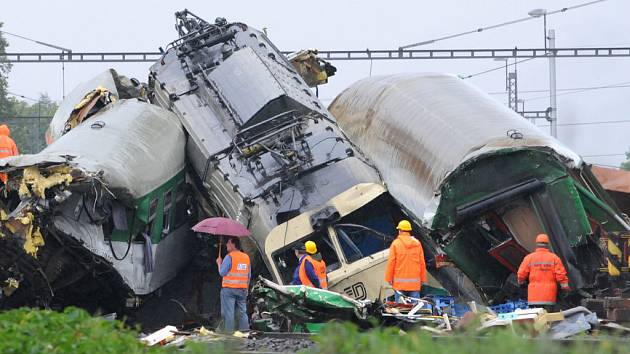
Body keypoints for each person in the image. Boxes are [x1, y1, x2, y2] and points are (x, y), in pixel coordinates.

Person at [517, 233, 570, 310]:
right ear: (547, 244)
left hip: (534, 296)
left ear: (537, 244)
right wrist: (565, 288)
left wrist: (521, 282)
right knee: (549, 318)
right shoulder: (554, 258)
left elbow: (521, 274)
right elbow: (561, 275)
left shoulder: (529, 258)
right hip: (549, 296)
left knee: (538, 319)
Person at [384, 220, 427, 303]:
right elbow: (422, 262)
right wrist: (422, 279)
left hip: (399, 285)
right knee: (414, 310)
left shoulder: (396, 244)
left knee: (401, 310)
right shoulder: (417, 244)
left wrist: (389, 278)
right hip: (414, 285)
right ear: (409, 230)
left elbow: (391, 263)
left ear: (399, 230)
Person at [216, 237, 250, 333]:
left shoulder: (229, 257)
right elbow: (249, 275)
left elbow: (222, 273)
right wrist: (246, 288)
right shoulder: (246, 257)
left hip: (229, 290)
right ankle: (245, 333)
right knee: (243, 313)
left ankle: (229, 335)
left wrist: (219, 263)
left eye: (228, 243)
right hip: (242, 290)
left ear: (232, 244)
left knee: (229, 313)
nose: (226, 245)